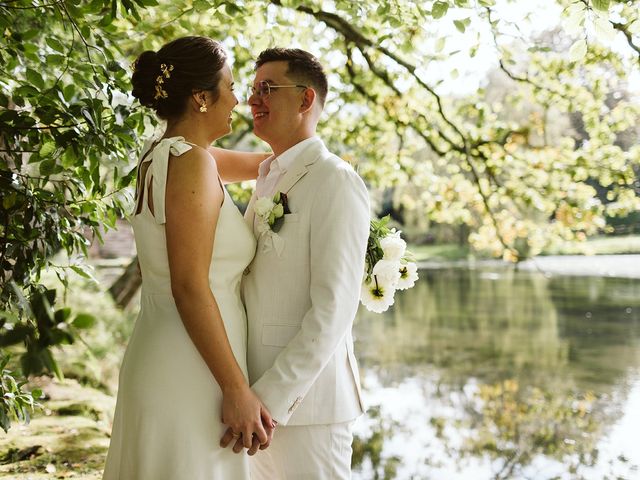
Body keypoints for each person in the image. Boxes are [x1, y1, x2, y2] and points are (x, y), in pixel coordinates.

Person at [102, 36, 274, 480]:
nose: (239, 99)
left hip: (167, 351)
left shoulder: (164, 156)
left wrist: (317, 158)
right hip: (192, 368)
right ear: (201, 97)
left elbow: (267, 165)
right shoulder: (192, 164)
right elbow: (190, 285)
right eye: (232, 87)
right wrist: (235, 388)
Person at [221, 48, 370, 479]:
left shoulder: (335, 180)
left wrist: (268, 398)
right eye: (252, 90)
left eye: (267, 89)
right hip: (253, 402)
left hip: (306, 405)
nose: (253, 101)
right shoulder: (269, 175)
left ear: (306, 100)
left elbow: (333, 310)